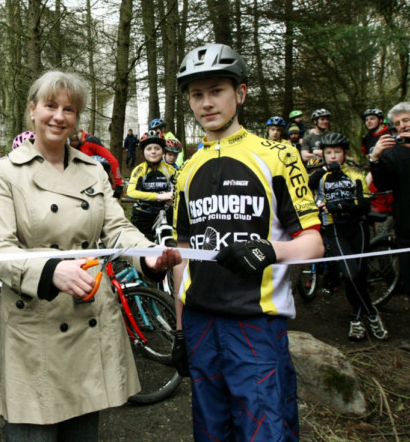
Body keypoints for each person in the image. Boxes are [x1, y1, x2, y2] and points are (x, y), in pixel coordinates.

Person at [0, 70, 181, 441]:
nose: (59, 116)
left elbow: (117, 229)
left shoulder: (93, 169)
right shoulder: (5, 172)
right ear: (32, 110)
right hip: (35, 326)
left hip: (88, 318)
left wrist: (148, 257)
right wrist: (51, 272)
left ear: (78, 119)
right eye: (51, 106)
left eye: (69, 109)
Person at [171, 44, 323, 441]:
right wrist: (180, 330)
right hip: (201, 321)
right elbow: (181, 256)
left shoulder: (278, 154)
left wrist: (271, 250)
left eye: (216, 90)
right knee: (211, 431)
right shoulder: (185, 169)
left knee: (266, 430)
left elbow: (313, 242)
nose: (206, 103)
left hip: (255, 321)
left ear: (240, 93)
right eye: (196, 94)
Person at [308, 132, 388, 341]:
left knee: (359, 276)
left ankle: (356, 317)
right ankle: (371, 313)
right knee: (351, 275)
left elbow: (363, 205)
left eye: (337, 152)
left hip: (357, 228)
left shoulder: (355, 174)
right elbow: (309, 185)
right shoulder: (320, 177)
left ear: (345, 153)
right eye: (328, 153)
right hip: (335, 230)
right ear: (323, 155)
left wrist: (338, 206)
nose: (333, 156)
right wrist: (324, 169)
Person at [369, 101, 410, 351]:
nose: (402, 126)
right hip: (406, 226)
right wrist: (376, 157)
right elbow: (382, 183)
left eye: (406, 120)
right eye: (397, 124)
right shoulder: (393, 153)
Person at [127, 130, 174, 241]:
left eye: (157, 148)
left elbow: (179, 189)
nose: (153, 152)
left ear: (163, 151)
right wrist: (158, 196)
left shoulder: (170, 170)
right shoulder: (139, 170)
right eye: (149, 149)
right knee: (142, 245)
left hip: (164, 213)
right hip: (142, 214)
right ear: (143, 151)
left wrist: (174, 199)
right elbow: (131, 192)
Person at [69, 130, 124, 198]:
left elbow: (113, 161)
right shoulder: (71, 147)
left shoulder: (90, 141)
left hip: (102, 182)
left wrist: (119, 184)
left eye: (71, 144)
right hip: (85, 184)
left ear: (75, 137)